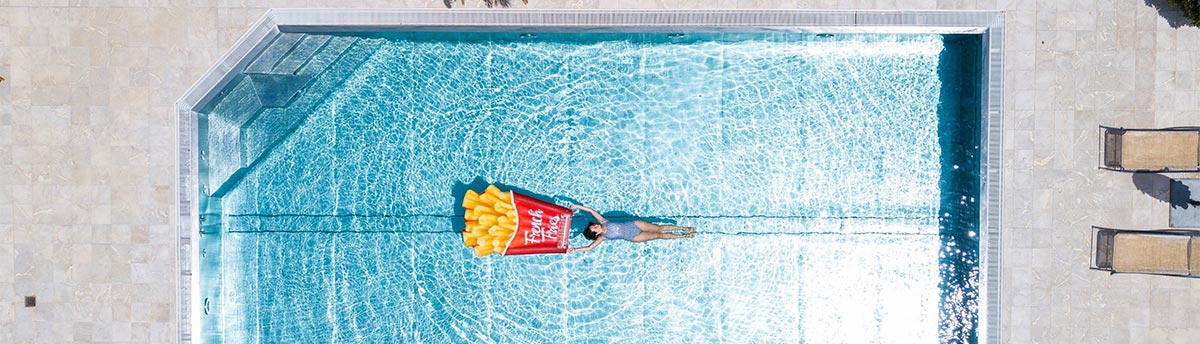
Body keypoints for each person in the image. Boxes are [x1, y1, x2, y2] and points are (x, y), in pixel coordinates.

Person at [565, 204, 694, 253]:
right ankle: (683, 235)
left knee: (659, 228)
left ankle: (684, 228)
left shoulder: (603, 221)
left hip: (634, 225)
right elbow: (589, 248)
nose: (596, 225)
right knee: (658, 235)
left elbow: (590, 210)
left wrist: (576, 206)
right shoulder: (603, 238)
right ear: (595, 233)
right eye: (594, 227)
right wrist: (574, 249)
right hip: (633, 237)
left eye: (594, 224)